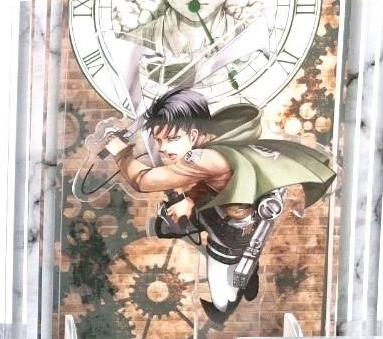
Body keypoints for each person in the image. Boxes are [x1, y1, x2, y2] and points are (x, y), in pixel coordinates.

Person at [98, 88, 335, 324]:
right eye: (159, 141)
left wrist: (122, 154)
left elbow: (143, 181)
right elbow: (217, 179)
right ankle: (245, 274)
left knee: (221, 303)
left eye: (172, 139)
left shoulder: (200, 158)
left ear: (193, 134)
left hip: (231, 232)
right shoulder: (219, 139)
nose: (163, 149)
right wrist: (190, 199)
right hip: (228, 211)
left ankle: (235, 291)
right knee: (167, 224)